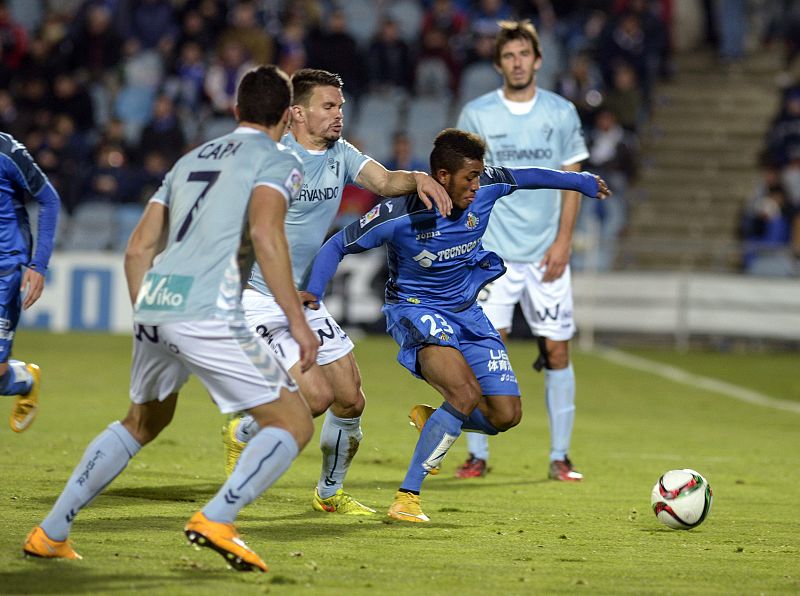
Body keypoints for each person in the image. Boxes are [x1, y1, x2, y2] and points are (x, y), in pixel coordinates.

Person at [23, 65, 318, 573]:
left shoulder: (190, 159)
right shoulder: (277, 159)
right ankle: (218, 519)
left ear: (235, 110)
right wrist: (296, 320)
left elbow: (138, 248)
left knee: (143, 421)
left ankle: (50, 533)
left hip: (157, 301)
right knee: (292, 422)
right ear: (288, 115)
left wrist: (150, 315)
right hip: (208, 307)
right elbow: (268, 235)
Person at [302, 129, 609, 522]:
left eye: (480, 176)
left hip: (466, 311)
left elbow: (531, 176)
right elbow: (336, 245)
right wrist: (313, 291)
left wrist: (581, 182)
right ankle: (407, 497)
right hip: (415, 310)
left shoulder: (485, 189)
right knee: (463, 393)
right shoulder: (400, 213)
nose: (477, 185)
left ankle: (436, 421)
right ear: (442, 176)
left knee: (505, 415)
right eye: (470, 177)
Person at [224, 68, 451, 516]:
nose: (338, 115)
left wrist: (420, 178)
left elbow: (385, 182)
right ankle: (244, 431)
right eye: (329, 106)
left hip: (304, 299)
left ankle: (328, 496)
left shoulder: (340, 154)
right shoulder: (270, 156)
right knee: (314, 398)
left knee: (350, 397)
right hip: (257, 298)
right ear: (296, 113)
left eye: (341, 107)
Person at [455, 20, 590, 481]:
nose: (517, 62)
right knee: (483, 348)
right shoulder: (477, 114)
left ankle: (559, 456)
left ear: (537, 60)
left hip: (545, 253)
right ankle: (477, 454)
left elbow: (573, 182)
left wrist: (563, 241)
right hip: (490, 254)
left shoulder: (561, 112)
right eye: (508, 56)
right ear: (498, 63)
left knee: (556, 351)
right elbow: (463, 181)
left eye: (523, 55)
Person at [0, 132, 60, 432]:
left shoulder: (7, 151)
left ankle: (25, 378)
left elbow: (49, 199)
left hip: (5, 268)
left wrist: (39, 264)